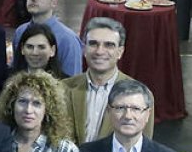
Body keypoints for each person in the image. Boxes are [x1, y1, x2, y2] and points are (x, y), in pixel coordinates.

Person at [62, 17, 155, 145]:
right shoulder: (62, 89)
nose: (100, 51)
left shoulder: (141, 96)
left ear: (120, 52)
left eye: (109, 45)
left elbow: (142, 147)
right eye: (93, 43)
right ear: (84, 49)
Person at [12, 0, 83, 76]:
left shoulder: (68, 39)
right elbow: (16, 69)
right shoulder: (20, 31)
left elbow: (73, 82)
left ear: (54, 3)